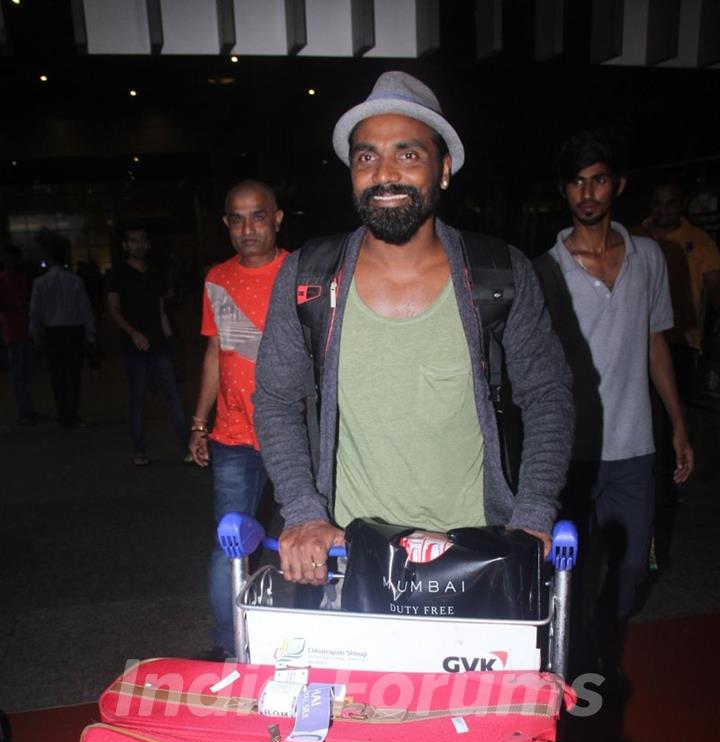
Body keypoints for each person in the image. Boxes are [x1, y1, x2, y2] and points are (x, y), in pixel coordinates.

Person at [253, 71, 573, 588]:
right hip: (350, 555)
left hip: (478, 554)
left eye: (408, 155)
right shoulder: (310, 277)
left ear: (443, 170)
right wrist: (304, 511)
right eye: (366, 157)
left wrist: (532, 514)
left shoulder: (500, 273)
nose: (384, 174)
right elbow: (274, 399)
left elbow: (548, 396)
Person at [535, 132, 694, 679]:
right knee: (571, 574)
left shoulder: (649, 257)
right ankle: (578, 665)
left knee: (630, 571)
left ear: (618, 185)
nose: (588, 192)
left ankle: (603, 638)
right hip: (572, 453)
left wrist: (677, 423)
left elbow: (655, 341)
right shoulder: (546, 269)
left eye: (598, 179)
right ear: (565, 191)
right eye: (577, 182)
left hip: (634, 447)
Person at [189, 181, 288, 659]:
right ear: (226, 224)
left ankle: (305, 640)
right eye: (237, 218)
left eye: (258, 216)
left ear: (278, 218)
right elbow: (216, 351)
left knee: (305, 540)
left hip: (293, 434)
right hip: (231, 433)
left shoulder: (299, 272)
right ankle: (231, 645)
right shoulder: (217, 278)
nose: (248, 228)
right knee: (228, 543)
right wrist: (198, 422)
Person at [106, 224, 189, 465]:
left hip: (159, 346)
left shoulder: (154, 273)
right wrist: (132, 332)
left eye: (142, 240)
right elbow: (113, 308)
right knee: (137, 401)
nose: (138, 244)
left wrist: (172, 340)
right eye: (133, 240)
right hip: (133, 349)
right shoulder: (117, 273)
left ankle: (187, 448)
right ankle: (139, 450)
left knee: (173, 398)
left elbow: (160, 309)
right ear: (125, 245)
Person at [633, 181, 720, 403]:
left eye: (670, 203)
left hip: (681, 341)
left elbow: (715, 286)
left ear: (680, 205)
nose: (663, 210)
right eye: (658, 203)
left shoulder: (700, 241)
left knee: (675, 410)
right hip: (635, 339)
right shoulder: (633, 237)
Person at [29, 230, 95, 429]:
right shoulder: (74, 280)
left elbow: (36, 312)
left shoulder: (40, 283)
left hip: (53, 333)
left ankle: (63, 413)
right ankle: (72, 413)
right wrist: (90, 335)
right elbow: (85, 309)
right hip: (73, 332)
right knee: (73, 375)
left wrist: (36, 334)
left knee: (57, 375)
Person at [0, 246, 36, 425]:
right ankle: (23, 412)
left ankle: (27, 410)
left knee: (26, 374)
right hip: (13, 332)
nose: (10, 262)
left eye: (12, 258)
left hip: (23, 329)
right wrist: (16, 306)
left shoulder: (20, 278)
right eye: (7, 258)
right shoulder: (3, 279)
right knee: (18, 375)